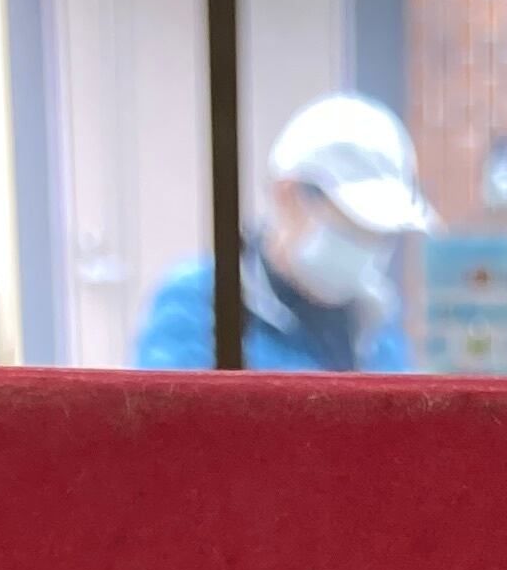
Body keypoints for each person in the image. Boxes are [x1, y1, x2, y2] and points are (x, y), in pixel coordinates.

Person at [135, 93, 435, 373]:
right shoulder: (202, 300)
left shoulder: (375, 319)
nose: (367, 244)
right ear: (288, 195)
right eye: (354, 224)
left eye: (380, 233)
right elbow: (169, 407)